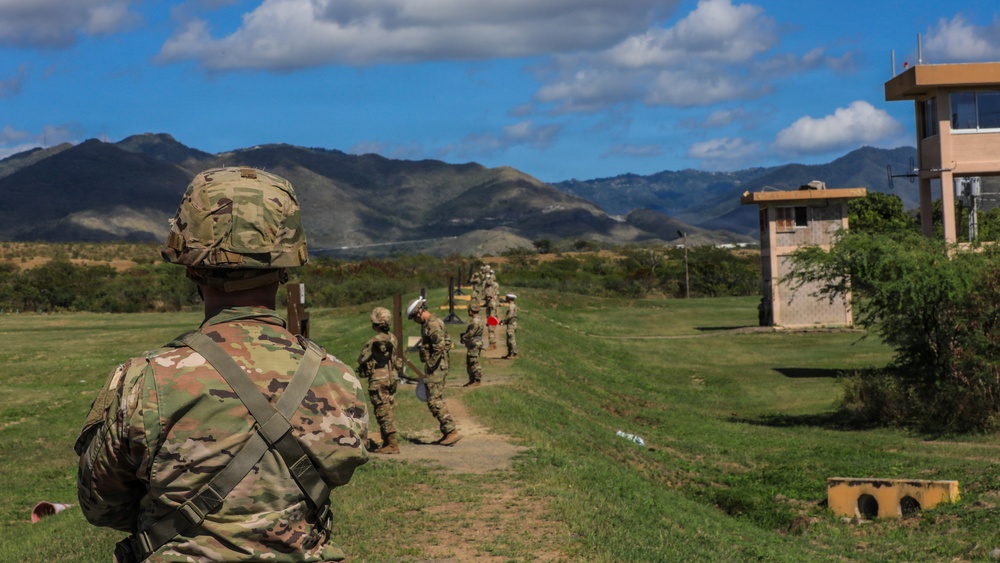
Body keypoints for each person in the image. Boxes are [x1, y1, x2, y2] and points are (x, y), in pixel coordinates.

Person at [75, 166, 369, 562]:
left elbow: (101, 504)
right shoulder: (338, 379)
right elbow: (341, 469)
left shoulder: (146, 381)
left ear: (191, 266)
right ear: (286, 266)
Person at [406, 297, 462, 446]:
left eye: (413, 318)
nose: (414, 321)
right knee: (434, 399)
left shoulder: (433, 325)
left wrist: (430, 365)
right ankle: (447, 432)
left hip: (436, 367)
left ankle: (451, 431)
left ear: (419, 312)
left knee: (434, 400)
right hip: (435, 366)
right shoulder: (429, 324)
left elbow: (440, 347)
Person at [357, 306, 401, 454]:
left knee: (382, 410)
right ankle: (387, 440)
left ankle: (392, 443)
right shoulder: (393, 338)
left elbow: (362, 358)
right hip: (391, 377)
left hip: (378, 378)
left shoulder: (374, 341)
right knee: (388, 407)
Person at [460, 301, 484, 387]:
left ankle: (477, 380)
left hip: (475, 343)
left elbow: (471, 333)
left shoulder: (475, 321)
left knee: (474, 361)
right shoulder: (479, 319)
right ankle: (472, 380)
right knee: (470, 361)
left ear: (471, 310)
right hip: (474, 343)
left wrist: (464, 337)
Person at [483, 273, 499, 350]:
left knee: (490, 328)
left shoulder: (489, 290)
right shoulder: (493, 289)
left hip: (492, 314)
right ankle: (494, 343)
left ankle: (491, 344)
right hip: (493, 311)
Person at [501, 293, 519, 359]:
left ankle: (514, 353)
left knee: (511, 340)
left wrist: (504, 321)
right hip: (511, 324)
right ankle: (509, 353)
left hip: (511, 324)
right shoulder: (513, 305)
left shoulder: (511, 306)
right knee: (508, 340)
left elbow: (510, 315)